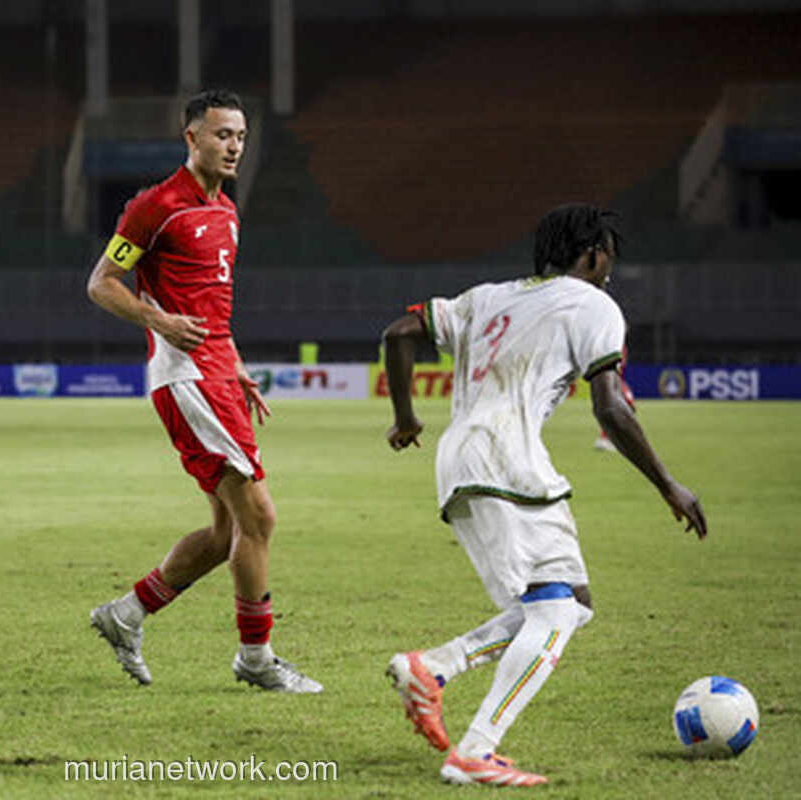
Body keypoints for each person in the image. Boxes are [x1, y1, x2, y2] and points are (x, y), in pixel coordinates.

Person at [380, 203, 707, 786]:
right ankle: (475, 751)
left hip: (467, 457)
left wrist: (406, 419)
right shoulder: (596, 305)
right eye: (607, 255)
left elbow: (400, 333)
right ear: (592, 254)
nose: (609, 267)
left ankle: (434, 667)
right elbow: (610, 405)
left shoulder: (488, 296)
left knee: (569, 601)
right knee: (553, 612)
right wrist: (668, 484)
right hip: (508, 461)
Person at [85, 89, 321, 694]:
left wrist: (235, 363)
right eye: (222, 135)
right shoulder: (156, 206)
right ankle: (256, 658)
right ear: (191, 138)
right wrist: (159, 321)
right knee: (260, 516)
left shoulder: (228, 213)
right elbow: (102, 284)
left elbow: (215, 309)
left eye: (240, 136)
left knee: (227, 533)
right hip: (186, 377)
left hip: (217, 373)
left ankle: (126, 614)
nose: (234, 146)